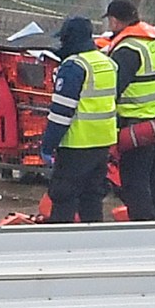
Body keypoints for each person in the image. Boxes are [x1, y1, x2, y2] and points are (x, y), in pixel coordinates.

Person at [39, 16, 118, 223]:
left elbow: (60, 114)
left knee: (64, 197)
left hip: (76, 144)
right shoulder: (107, 63)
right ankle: (92, 245)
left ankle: (62, 247)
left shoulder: (74, 67)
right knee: (92, 198)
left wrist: (47, 146)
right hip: (102, 142)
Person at [104, 0, 155, 221]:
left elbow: (113, 88)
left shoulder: (127, 48)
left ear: (115, 21)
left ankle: (143, 229)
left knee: (135, 181)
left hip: (138, 122)